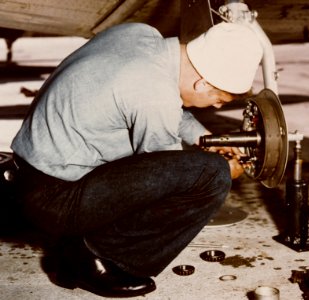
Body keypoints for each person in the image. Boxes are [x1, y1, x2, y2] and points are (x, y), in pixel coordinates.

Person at [11, 21, 263, 298]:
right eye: (218, 100)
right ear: (201, 82)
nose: (216, 106)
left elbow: (157, 101)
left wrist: (207, 139)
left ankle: (82, 243)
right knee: (211, 175)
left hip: (31, 176)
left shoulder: (141, 35)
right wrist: (226, 169)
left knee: (203, 166)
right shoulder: (155, 96)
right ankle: (94, 256)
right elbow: (169, 171)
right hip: (55, 200)